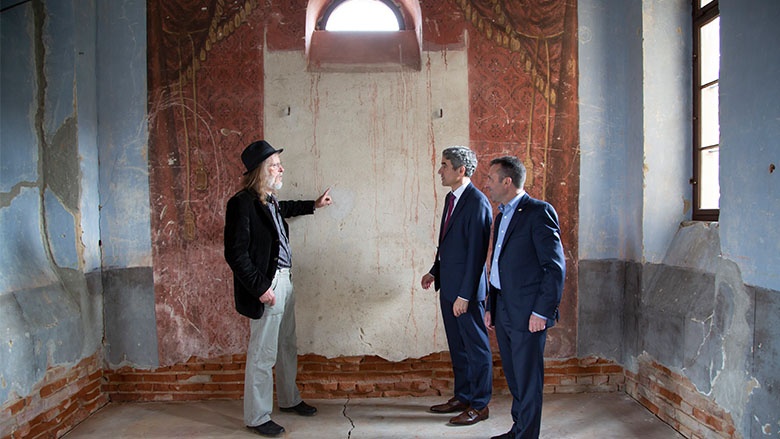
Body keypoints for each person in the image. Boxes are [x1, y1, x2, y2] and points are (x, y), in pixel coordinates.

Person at [224, 140, 332, 437]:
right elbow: (235, 253)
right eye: (274, 165)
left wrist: (313, 205)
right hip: (267, 286)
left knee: (286, 345)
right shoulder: (241, 203)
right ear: (259, 171)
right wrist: (260, 288)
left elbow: (286, 208)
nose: (281, 168)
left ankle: (288, 399)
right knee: (263, 353)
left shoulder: (269, 200)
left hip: (285, 280)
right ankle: (257, 416)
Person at [483, 156, 566, 439]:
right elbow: (499, 264)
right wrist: (491, 306)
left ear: (507, 181)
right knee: (515, 376)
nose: (488, 184)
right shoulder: (502, 214)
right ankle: (519, 429)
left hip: (529, 312)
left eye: (491, 179)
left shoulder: (538, 212)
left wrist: (542, 312)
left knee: (528, 379)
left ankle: (527, 435)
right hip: (504, 307)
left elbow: (554, 268)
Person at [421, 146, 493, 426]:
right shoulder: (452, 199)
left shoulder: (477, 202)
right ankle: (463, 396)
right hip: (449, 287)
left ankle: (480, 405)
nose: (440, 170)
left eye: (444, 165)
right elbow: (450, 246)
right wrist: (434, 271)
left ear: (460, 170)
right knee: (458, 347)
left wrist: (465, 295)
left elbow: (476, 254)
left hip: (466, 293)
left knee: (476, 348)